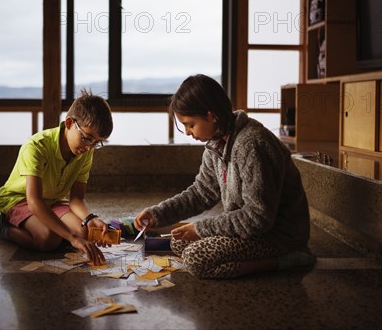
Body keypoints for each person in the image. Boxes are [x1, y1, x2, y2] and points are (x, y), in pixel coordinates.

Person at [134, 74, 315, 279]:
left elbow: (258, 217)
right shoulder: (216, 143)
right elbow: (201, 193)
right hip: (250, 229)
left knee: (196, 258)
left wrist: (202, 229)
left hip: (278, 235)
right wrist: (157, 213)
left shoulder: (251, 144)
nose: (187, 132)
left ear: (211, 116)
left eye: (190, 124)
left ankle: (288, 259)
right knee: (179, 241)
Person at [0, 90, 113, 265]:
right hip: (21, 200)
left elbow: (77, 199)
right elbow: (34, 202)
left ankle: (55, 230)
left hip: (53, 201)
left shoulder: (85, 151)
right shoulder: (37, 146)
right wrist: (71, 237)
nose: (90, 147)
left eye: (96, 143)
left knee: (84, 232)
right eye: (87, 138)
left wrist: (91, 218)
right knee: (48, 239)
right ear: (69, 123)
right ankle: (2, 227)